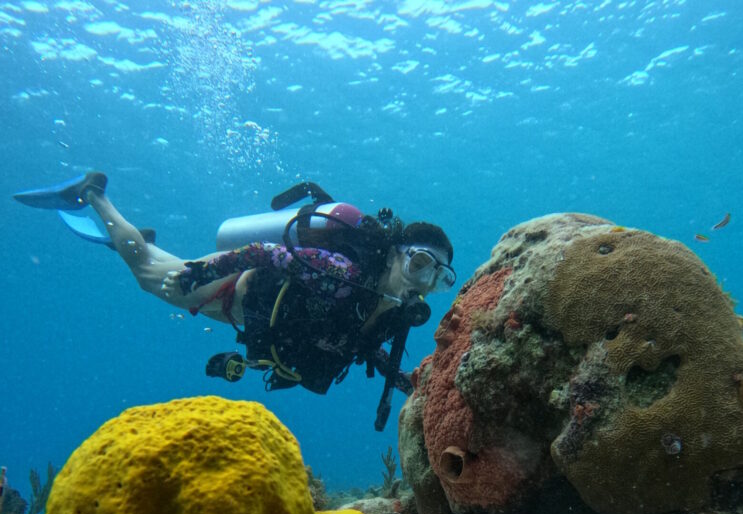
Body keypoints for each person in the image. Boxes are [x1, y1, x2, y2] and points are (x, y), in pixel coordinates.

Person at [14, 172, 455, 430]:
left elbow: (357, 342)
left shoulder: (390, 310)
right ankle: (93, 194)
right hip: (231, 285)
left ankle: (134, 243)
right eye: (419, 264)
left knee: (152, 266)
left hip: (239, 315)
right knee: (149, 275)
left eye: (439, 277)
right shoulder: (344, 274)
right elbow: (268, 253)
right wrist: (203, 272)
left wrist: (401, 378)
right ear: (397, 253)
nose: (423, 282)